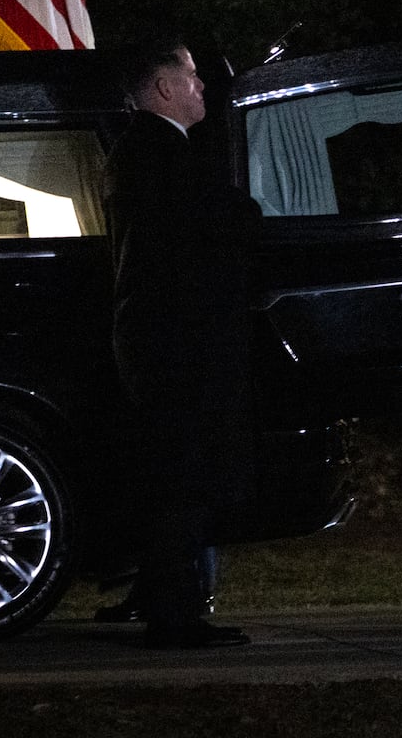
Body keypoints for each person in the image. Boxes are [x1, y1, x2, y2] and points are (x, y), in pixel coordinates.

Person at [103, 39, 261, 648]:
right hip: (175, 346)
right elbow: (223, 223)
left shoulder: (145, 151)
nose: (202, 87)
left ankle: (165, 595)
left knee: (177, 474)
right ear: (163, 87)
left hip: (160, 341)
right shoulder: (161, 153)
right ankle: (175, 613)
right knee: (181, 478)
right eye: (191, 76)